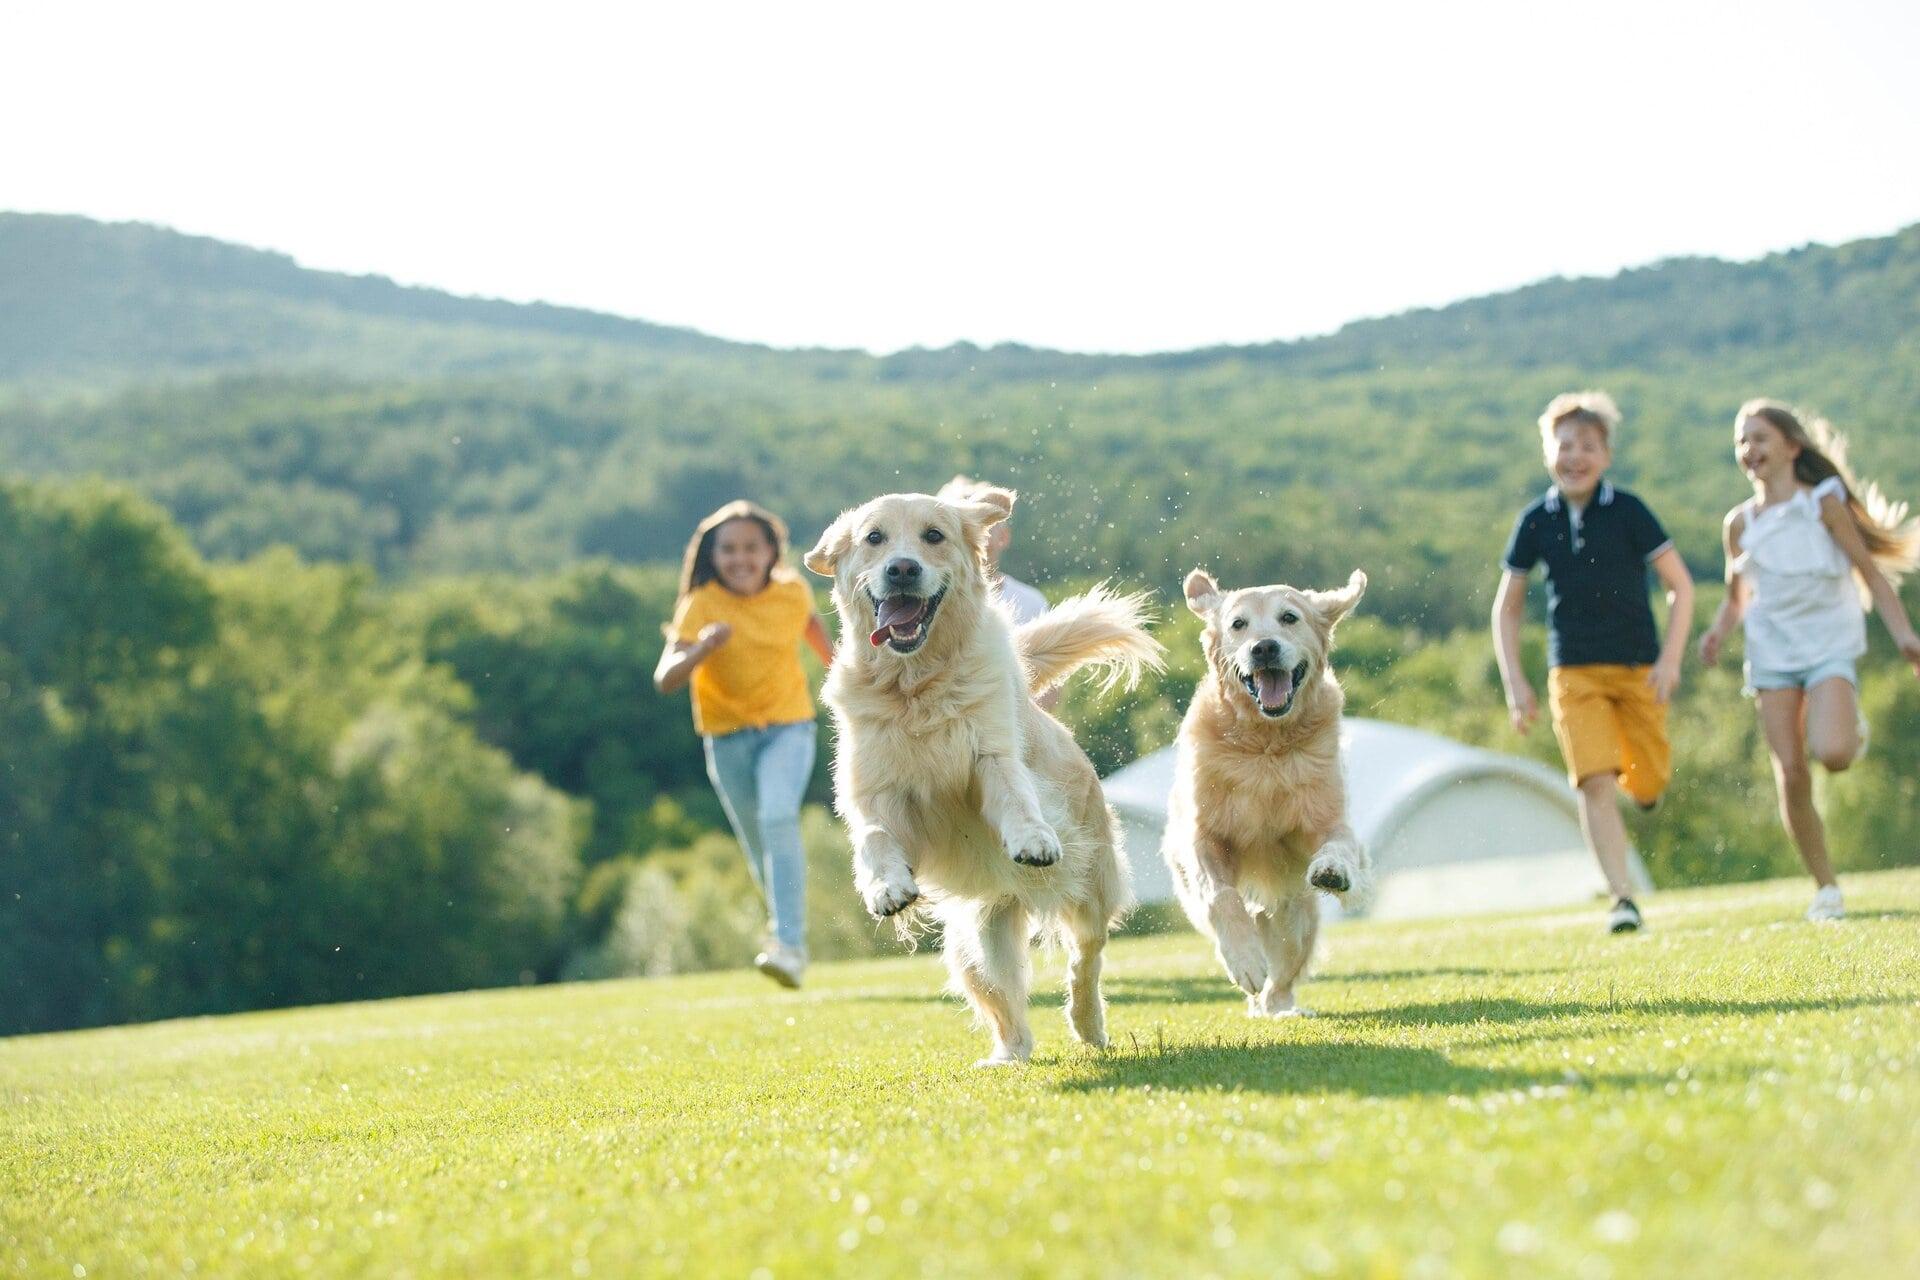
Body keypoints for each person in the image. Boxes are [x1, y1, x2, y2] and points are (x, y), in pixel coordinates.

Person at [1697, 400, 1920, 922]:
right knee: (1791, 770)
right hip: (1772, 652)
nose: (1749, 450)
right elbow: (1738, 597)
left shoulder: (1823, 504)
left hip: (1828, 646)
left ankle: (1846, 721)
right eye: (1741, 441)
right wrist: (1717, 631)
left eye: (1760, 438)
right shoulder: (1739, 524)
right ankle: (1826, 890)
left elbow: (1870, 573)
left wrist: (1906, 635)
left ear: (1793, 447)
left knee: (1834, 754)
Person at [1493, 391, 1695, 934]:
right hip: (1574, 673)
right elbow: (1507, 609)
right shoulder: (1536, 521)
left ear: (1606, 455)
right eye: (1564, 446)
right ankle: (1622, 899)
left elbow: (1680, 586)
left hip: (1638, 670)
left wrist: (1670, 660)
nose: (1574, 456)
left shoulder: (1629, 511)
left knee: (1646, 781)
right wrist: (1517, 683)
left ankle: (1645, 792)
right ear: (1547, 454)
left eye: (1587, 446)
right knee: (1594, 782)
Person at [654, 500, 834, 986]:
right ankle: (785, 934)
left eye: (751, 548)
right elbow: (665, 679)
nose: (740, 558)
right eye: (728, 549)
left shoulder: (792, 592)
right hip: (726, 740)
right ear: (712, 555)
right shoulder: (702, 603)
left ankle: (790, 947)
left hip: (788, 727)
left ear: (771, 550)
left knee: (778, 818)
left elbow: (828, 653)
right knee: (759, 849)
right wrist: (703, 648)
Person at [936, 475, 1057, 709]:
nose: (971, 538)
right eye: (957, 529)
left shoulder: (1030, 602)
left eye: (984, 526)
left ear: (1004, 537)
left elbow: (1051, 687)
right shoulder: (923, 605)